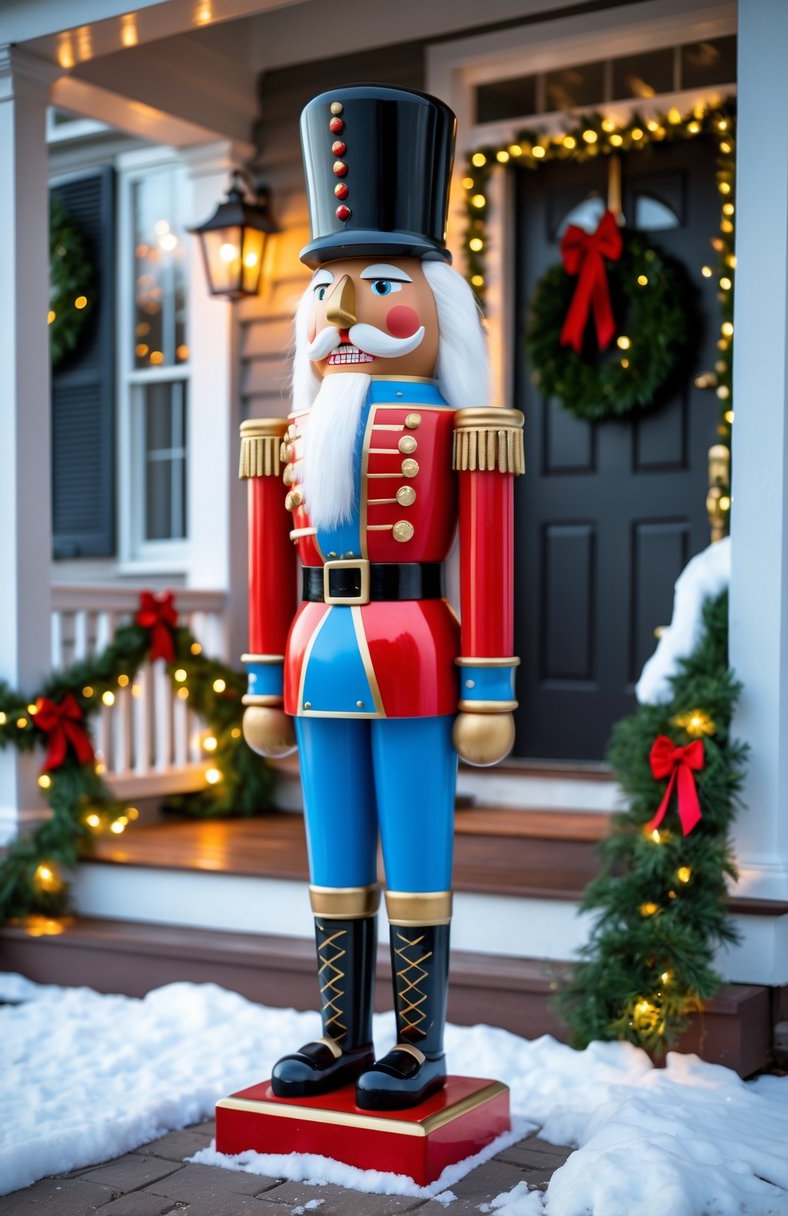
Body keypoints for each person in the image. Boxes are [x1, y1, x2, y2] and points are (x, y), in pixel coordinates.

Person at [238, 84, 524, 1111]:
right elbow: (273, 566)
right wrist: (261, 675)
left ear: (434, 305)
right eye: (329, 288)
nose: (347, 305)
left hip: (412, 647)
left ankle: (417, 1042)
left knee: (414, 847)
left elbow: (483, 554)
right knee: (330, 850)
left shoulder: (464, 427)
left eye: (381, 282)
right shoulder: (288, 434)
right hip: (317, 647)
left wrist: (488, 687)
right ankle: (336, 1032)